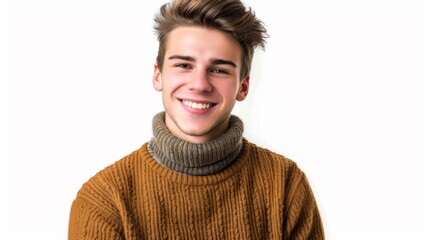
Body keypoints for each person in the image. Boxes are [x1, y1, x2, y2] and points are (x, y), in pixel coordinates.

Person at [68, 0, 325, 239]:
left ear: (243, 86)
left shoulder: (286, 184)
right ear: (158, 75)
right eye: (183, 65)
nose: (200, 85)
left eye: (219, 70)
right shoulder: (105, 200)